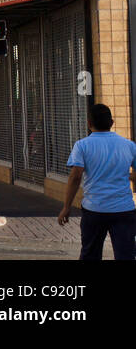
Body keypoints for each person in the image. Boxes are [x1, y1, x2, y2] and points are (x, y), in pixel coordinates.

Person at [58, 103, 136, 260]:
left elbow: (75, 177)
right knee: (126, 255)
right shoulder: (129, 145)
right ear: (112, 123)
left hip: (94, 209)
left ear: (89, 123)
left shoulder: (82, 145)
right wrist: (127, 177)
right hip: (124, 210)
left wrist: (66, 207)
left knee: (90, 254)